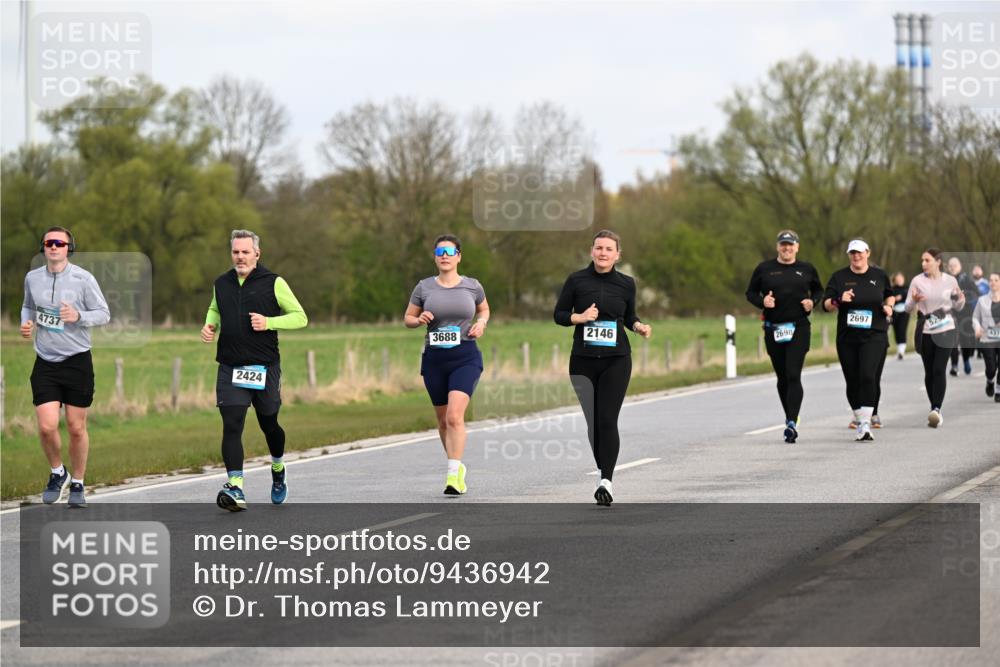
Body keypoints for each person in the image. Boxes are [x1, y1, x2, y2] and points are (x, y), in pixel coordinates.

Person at [201, 229, 308, 511]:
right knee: (232, 423)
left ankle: (278, 467)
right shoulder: (221, 283)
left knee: (269, 423)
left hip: (264, 367)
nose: (240, 257)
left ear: (257, 254)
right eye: (236, 252)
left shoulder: (274, 282)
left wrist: (269, 322)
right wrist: (210, 325)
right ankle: (235, 486)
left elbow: (301, 317)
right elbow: (215, 308)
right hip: (230, 366)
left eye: (245, 252)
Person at [554, 230, 652, 506]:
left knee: (607, 418)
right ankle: (603, 468)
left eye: (609, 249)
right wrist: (580, 317)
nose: (603, 253)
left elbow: (629, 316)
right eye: (599, 248)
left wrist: (638, 326)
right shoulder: (576, 280)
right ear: (592, 251)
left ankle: (605, 481)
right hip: (582, 361)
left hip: (616, 359)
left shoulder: (626, 283)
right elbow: (559, 315)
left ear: (617, 255)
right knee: (593, 422)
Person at [20, 227, 110, 507]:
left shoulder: (84, 279)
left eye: (59, 243)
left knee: (75, 427)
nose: (54, 246)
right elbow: (27, 306)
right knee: (47, 427)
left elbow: (104, 314)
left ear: (69, 248)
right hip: (45, 361)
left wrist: (78, 315)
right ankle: (58, 472)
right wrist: (26, 323)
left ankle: (78, 483)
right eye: (49, 242)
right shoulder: (32, 278)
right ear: (43, 247)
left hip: (76, 361)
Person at [404, 235, 490, 496]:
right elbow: (408, 318)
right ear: (434, 256)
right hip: (435, 360)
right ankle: (457, 466)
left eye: (449, 251)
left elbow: (484, 310)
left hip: (465, 356)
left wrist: (481, 324)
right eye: (439, 251)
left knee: (454, 416)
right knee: (443, 421)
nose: (444, 255)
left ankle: (452, 475)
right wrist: (419, 319)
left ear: (458, 256)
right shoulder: (424, 287)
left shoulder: (473, 286)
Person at [745, 230, 823, 443]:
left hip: (799, 328)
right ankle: (790, 415)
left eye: (790, 244)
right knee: (782, 377)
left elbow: (819, 291)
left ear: (797, 247)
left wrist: (812, 302)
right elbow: (750, 293)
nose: (787, 248)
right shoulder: (764, 269)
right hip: (774, 328)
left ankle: (791, 422)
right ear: (777, 247)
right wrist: (762, 302)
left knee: (793, 373)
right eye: (783, 244)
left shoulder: (807, 269)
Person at [822, 239, 893, 442]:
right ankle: (859, 417)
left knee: (868, 376)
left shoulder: (879, 275)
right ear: (849, 255)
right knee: (852, 380)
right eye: (852, 253)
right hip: (848, 337)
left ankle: (865, 423)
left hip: (875, 334)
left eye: (860, 252)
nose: (856, 256)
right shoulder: (839, 277)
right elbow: (826, 305)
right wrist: (838, 300)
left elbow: (890, 295)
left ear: (867, 253)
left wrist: (888, 306)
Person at [905, 248, 966, 427]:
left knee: (939, 369)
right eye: (922, 260)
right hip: (926, 330)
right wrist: (914, 300)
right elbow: (907, 308)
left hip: (946, 328)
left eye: (927, 260)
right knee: (930, 372)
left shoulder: (950, 280)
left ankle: (936, 409)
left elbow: (958, 306)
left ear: (938, 262)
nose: (923, 263)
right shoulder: (917, 281)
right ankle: (934, 408)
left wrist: (960, 299)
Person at [947, 257, 979, 376]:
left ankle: (966, 360)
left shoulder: (966, 279)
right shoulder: (945, 280)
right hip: (951, 313)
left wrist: (963, 296)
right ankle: (954, 366)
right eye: (950, 266)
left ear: (960, 266)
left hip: (965, 313)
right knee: (953, 340)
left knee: (966, 340)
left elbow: (976, 293)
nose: (953, 268)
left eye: (955, 265)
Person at [972, 271, 1000, 403]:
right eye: (991, 280)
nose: (992, 282)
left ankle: (998, 390)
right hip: (987, 338)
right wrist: (977, 328)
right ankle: (990, 380)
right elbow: (975, 317)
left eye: (996, 280)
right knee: (991, 368)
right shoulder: (982, 300)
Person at [890, 272, 910, 360]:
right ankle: (899, 350)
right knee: (896, 330)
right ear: (895, 280)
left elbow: (908, 296)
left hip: (904, 312)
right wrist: (895, 298)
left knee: (902, 330)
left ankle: (901, 351)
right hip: (895, 312)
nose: (899, 281)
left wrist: (901, 296)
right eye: (897, 279)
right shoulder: (892, 289)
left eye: (901, 279)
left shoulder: (907, 288)